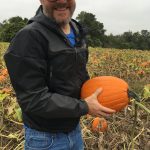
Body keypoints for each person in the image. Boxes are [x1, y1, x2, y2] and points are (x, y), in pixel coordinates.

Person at [4, 0, 115, 149]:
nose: (62, 1)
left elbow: (79, 75)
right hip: (45, 139)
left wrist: (102, 94)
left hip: (74, 131)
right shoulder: (29, 37)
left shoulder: (77, 29)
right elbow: (33, 98)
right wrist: (84, 106)